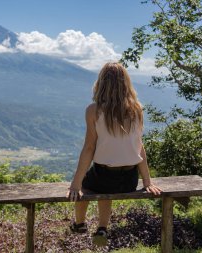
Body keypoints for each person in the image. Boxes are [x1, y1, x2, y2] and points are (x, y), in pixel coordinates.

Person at [66, 62, 162, 246]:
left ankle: (79, 223)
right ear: (125, 83)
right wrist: (147, 182)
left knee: (86, 184)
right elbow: (139, 146)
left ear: (101, 83)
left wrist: (75, 184)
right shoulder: (137, 109)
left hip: (103, 177)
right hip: (129, 180)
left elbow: (89, 148)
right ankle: (102, 228)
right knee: (104, 188)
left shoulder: (94, 110)